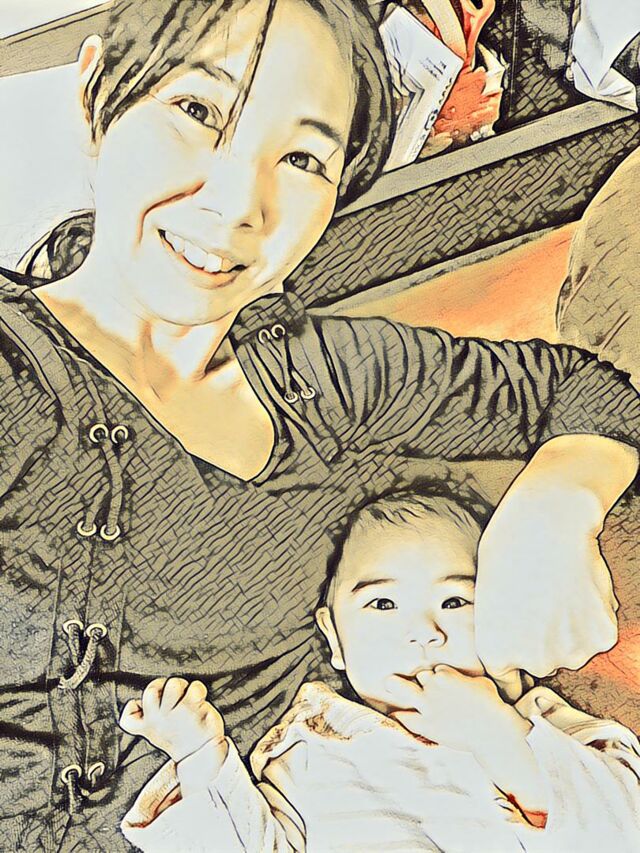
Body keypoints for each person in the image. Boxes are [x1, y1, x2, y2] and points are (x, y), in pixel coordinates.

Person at [0, 0, 639, 849]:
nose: (237, 203)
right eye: (198, 110)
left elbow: (584, 390)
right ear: (97, 95)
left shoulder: (326, 374)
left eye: (303, 158)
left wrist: (556, 504)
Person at [119, 488, 640, 851]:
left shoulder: (545, 725)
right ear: (335, 640)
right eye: (383, 604)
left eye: (456, 602)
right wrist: (199, 757)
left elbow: (620, 831)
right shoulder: (309, 748)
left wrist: (497, 734)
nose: (424, 632)